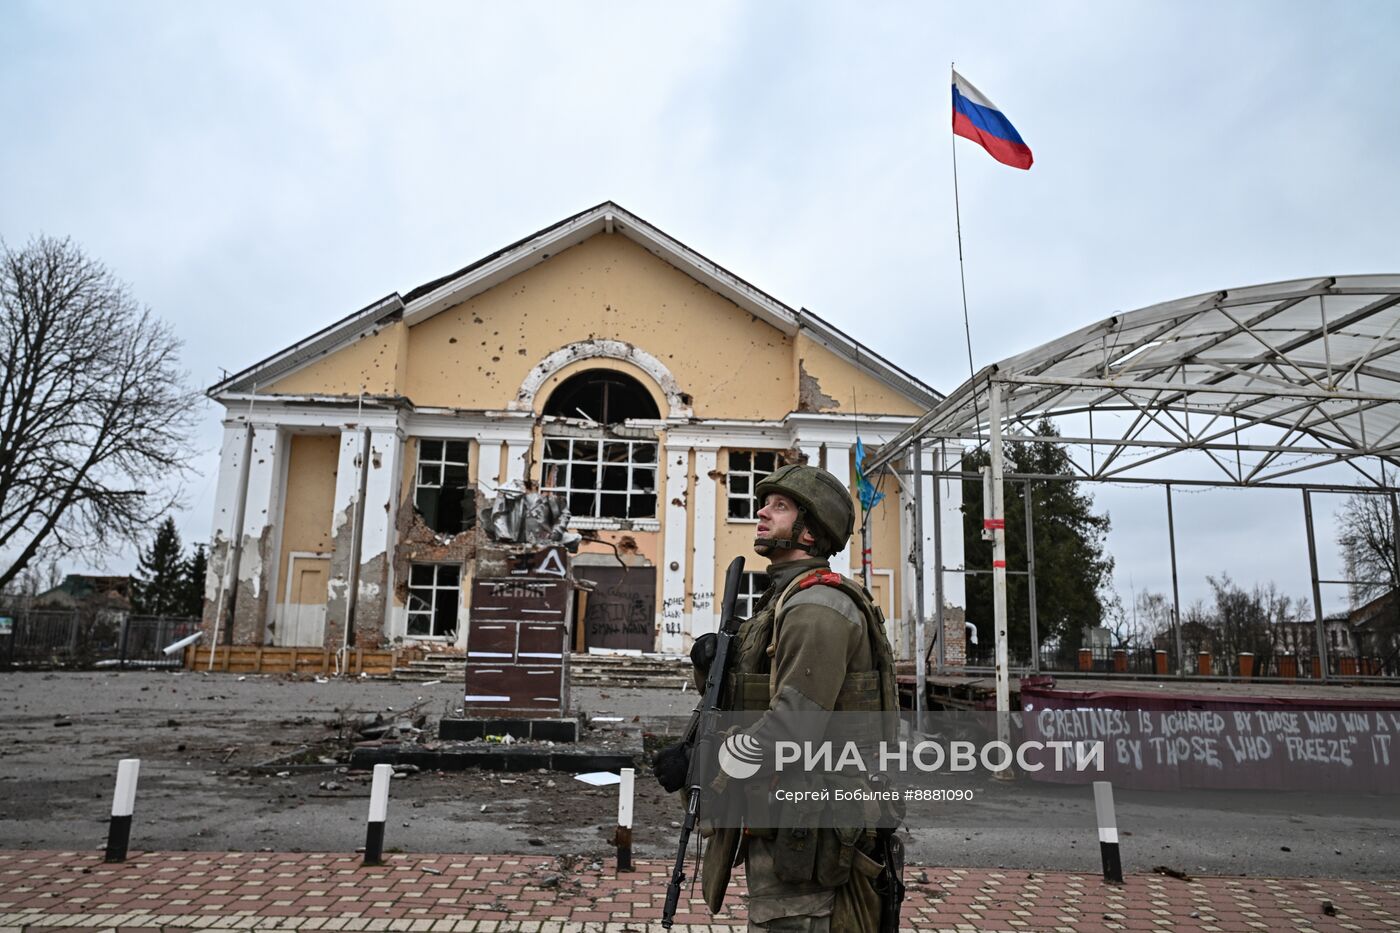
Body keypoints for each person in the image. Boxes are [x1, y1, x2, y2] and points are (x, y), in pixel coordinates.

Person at [691, 463, 902, 932]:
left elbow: (793, 727)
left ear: (810, 531)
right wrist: (709, 663)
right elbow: (750, 695)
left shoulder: (816, 607)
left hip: (810, 824)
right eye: (765, 503)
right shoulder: (784, 599)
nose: (762, 513)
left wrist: (710, 771)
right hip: (788, 813)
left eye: (780, 506)